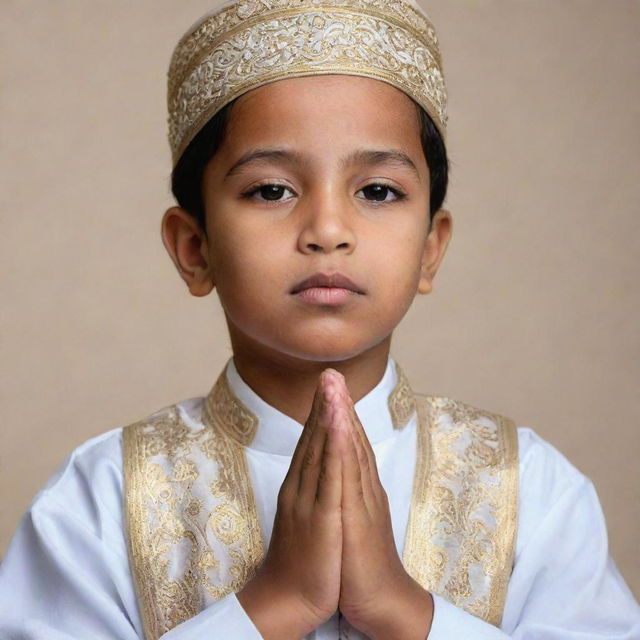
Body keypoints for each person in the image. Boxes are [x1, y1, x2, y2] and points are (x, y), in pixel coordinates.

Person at [1, 0, 638, 638]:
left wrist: (400, 608)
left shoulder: (529, 490)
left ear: (430, 248)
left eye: (378, 191)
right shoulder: (103, 497)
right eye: (271, 190)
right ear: (195, 248)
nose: (328, 230)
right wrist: (275, 604)